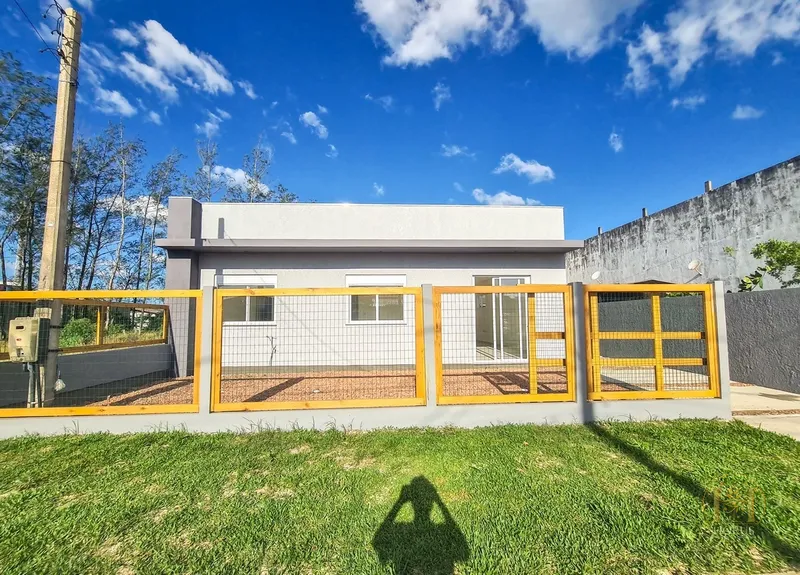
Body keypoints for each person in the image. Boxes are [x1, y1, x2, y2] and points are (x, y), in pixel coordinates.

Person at [373, 476, 469, 575]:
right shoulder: (442, 531)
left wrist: (400, 501)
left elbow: (379, 538)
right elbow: (464, 555)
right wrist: (439, 502)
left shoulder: (401, 530)